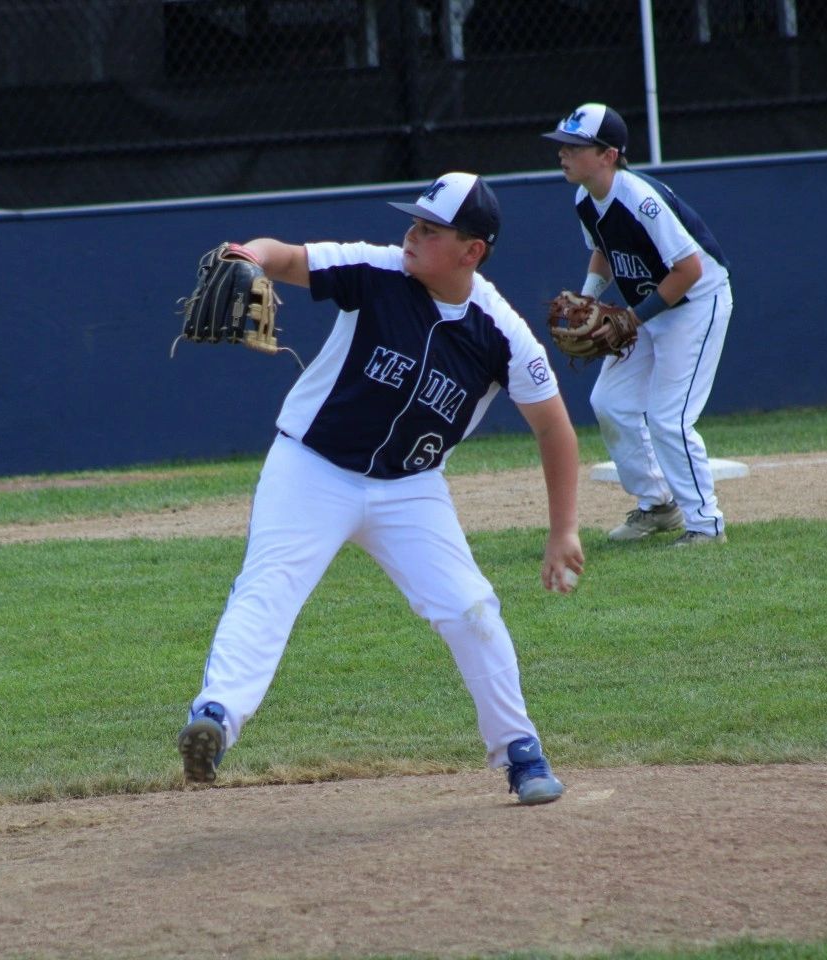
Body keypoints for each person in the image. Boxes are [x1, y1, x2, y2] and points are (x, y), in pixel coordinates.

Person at [176, 172, 585, 806]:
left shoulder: (501, 335)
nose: (411, 235)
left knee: (472, 609)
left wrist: (563, 530)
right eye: (413, 222)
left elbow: (555, 428)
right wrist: (246, 256)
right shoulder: (376, 270)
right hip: (311, 468)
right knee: (270, 585)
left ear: (472, 251)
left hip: (409, 490)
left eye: (430, 228)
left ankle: (522, 753)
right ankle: (216, 717)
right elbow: (284, 256)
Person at [543, 102, 734, 546]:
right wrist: (589, 296)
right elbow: (604, 251)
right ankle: (658, 506)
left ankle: (706, 525)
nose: (563, 153)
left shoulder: (640, 200)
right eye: (562, 145)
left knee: (670, 417)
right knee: (610, 401)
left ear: (608, 154)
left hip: (695, 304)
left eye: (574, 146)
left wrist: (631, 318)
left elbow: (690, 270)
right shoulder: (584, 198)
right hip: (649, 306)